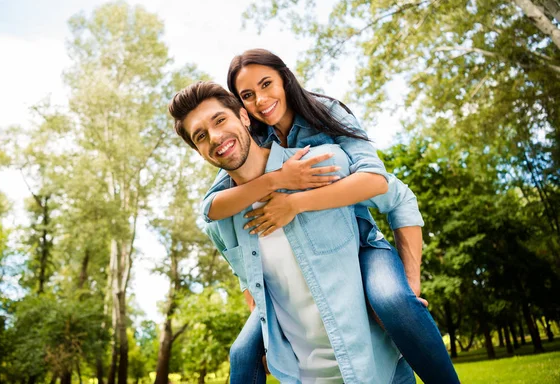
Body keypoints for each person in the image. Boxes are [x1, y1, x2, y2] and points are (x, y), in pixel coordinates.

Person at [201, 49, 460, 384]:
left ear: (285, 77)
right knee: (242, 352)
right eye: (248, 95)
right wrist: (277, 180)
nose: (261, 100)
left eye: (267, 84)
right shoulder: (253, 141)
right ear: (241, 109)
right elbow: (213, 206)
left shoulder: (325, 117)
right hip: (300, 268)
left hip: (360, 245)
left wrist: (295, 203)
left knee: (394, 300)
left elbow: (376, 181)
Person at [168, 81, 415, 384]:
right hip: (302, 377)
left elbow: (398, 198)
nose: (216, 137)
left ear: (244, 117)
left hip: (378, 370)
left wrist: (408, 289)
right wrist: (268, 336)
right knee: (241, 353)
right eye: (201, 136)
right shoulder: (222, 221)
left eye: (219, 120)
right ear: (199, 151)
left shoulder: (322, 163)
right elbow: (247, 280)